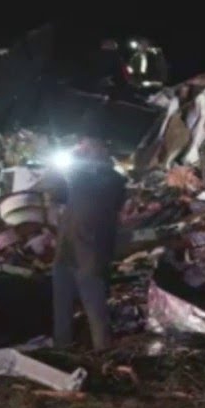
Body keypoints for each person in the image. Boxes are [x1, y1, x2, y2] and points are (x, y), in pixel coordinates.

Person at [42, 137, 128, 351]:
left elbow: (100, 188)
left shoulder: (114, 180)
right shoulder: (79, 177)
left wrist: (76, 157)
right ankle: (63, 351)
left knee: (95, 307)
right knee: (62, 307)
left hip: (91, 250)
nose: (83, 148)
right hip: (67, 249)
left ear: (102, 149)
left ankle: (103, 353)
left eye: (89, 144)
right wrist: (59, 165)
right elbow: (55, 192)